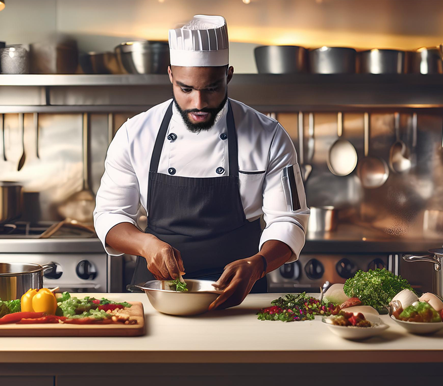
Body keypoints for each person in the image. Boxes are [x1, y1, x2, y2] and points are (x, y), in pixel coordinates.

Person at [94, 15, 309, 310]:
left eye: (211, 88)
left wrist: (258, 264)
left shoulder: (269, 136)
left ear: (229, 75)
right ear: (170, 75)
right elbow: (109, 214)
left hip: (242, 294)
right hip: (159, 294)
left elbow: (289, 220)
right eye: (185, 89)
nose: (198, 103)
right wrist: (146, 244)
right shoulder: (135, 134)